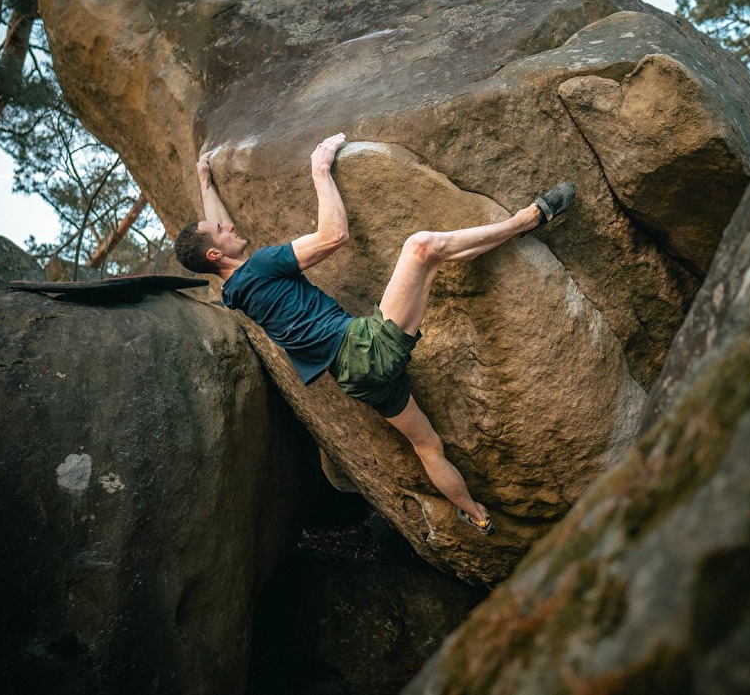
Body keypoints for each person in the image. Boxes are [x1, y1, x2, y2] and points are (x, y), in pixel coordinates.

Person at [173, 133, 575, 535]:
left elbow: (213, 238)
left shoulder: (234, 292)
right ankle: (527, 220)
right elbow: (334, 235)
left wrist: (206, 181)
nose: (228, 225)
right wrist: (320, 169)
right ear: (215, 254)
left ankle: (477, 515)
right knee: (420, 247)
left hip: (355, 379)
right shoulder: (259, 265)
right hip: (361, 349)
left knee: (428, 445)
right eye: (221, 229)